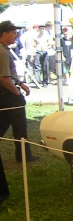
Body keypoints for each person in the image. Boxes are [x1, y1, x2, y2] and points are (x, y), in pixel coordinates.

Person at [0, 21, 39, 163]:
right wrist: (17, 94)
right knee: (20, 126)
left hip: (5, 93)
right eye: (13, 33)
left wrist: (21, 84)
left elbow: (9, 74)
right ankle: (24, 156)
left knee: (3, 122)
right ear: (4, 34)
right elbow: (4, 78)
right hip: (8, 94)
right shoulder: (3, 52)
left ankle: (23, 155)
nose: (16, 36)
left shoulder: (4, 49)